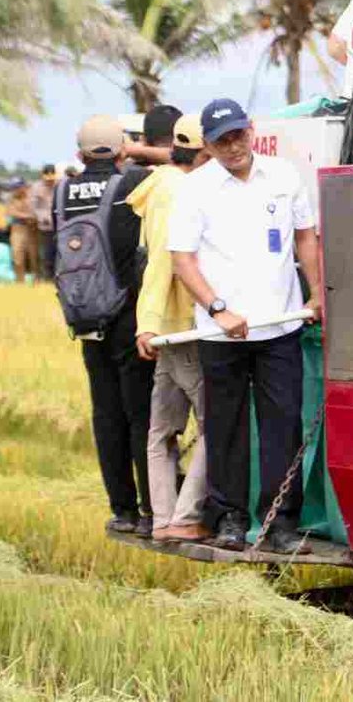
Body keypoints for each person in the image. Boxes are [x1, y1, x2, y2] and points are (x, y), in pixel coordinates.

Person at [167, 98, 323, 554]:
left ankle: (282, 524)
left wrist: (315, 293)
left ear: (251, 131)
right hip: (222, 332)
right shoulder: (195, 189)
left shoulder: (283, 176)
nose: (232, 147)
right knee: (227, 427)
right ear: (208, 146)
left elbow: (306, 236)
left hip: (281, 326)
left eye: (238, 135)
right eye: (221, 141)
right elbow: (182, 258)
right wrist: (218, 309)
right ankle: (230, 518)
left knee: (282, 426)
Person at [55, 114, 156, 536]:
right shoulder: (131, 184)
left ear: (79, 153)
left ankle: (122, 510)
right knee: (139, 414)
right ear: (121, 150)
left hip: (85, 316)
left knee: (106, 414)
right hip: (127, 317)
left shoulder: (62, 190)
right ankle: (153, 508)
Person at [130, 113, 213, 543]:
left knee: (161, 429)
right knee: (216, 423)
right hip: (185, 326)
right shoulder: (183, 191)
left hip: (166, 328)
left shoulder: (160, 183)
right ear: (202, 154)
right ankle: (184, 516)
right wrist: (148, 324)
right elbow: (165, 261)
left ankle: (162, 518)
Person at [7, 183, 40, 282]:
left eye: (18, 187)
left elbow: (37, 211)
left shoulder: (31, 197)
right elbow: (12, 212)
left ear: (23, 187)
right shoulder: (11, 199)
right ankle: (20, 281)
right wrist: (28, 215)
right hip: (18, 229)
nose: (15, 190)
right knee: (17, 257)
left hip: (32, 229)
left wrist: (31, 215)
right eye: (14, 188)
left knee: (34, 257)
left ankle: (36, 280)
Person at [30, 165, 58, 276]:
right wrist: (42, 217)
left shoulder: (59, 185)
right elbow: (34, 207)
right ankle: (47, 277)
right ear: (42, 176)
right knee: (47, 253)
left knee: (60, 253)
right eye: (47, 179)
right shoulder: (36, 188)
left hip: (60, 225)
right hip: (45, 227)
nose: (49, 182)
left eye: (52, 179)